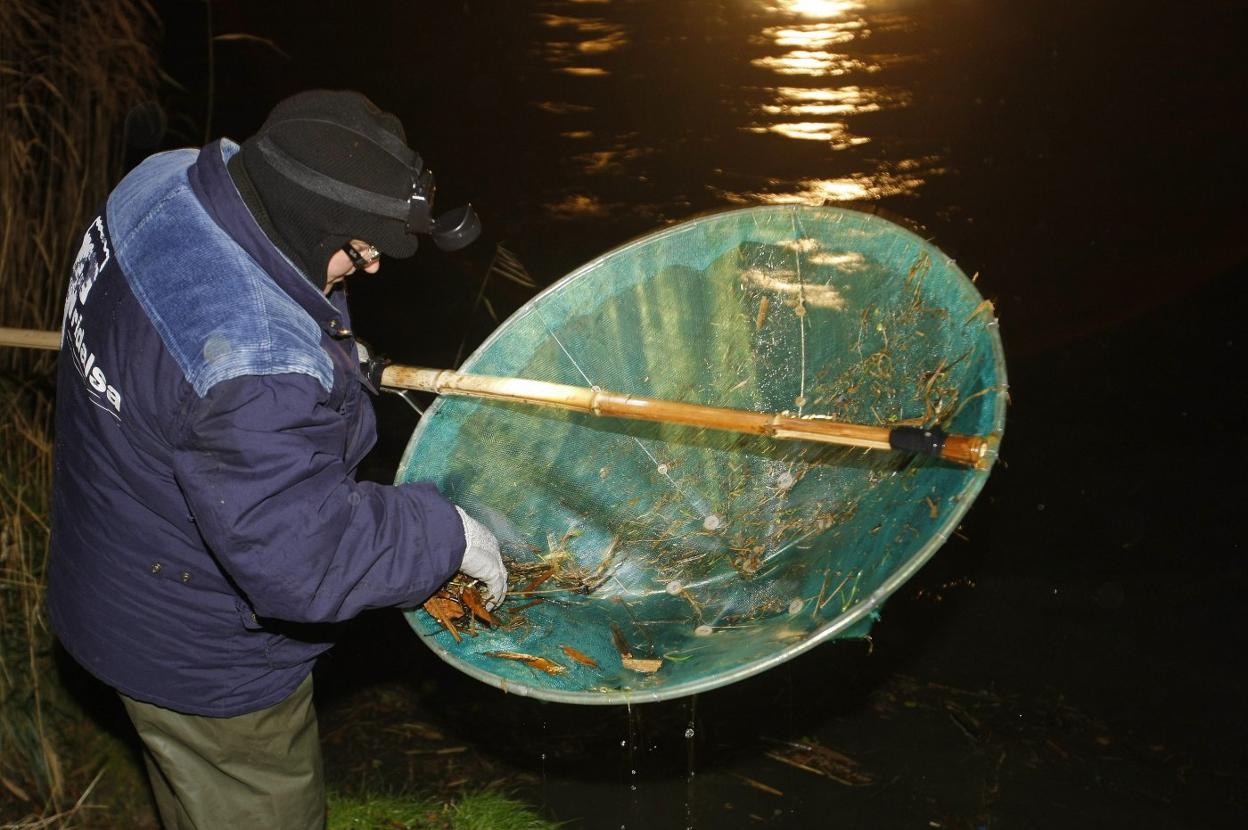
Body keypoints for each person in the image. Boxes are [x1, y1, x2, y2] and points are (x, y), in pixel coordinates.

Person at [47, 89, 507, 829]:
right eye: (360, 250)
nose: (370, 269)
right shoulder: (255, 370)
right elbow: (304, 558)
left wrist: (324, 348)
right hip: (197, 651)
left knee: (192, 792)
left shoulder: (165, 181)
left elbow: (187, 351)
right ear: (310, 220)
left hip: (111, 566)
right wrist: (442, 534)